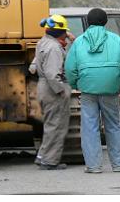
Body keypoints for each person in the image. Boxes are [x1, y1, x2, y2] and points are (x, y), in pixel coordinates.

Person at [64, 8, 120, 173]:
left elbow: (70, 68)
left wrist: (75, 85)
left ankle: (94, 166)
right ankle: (118, 165)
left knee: (89, 126)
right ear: (105, 22)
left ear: (88, 22)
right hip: (110, 89)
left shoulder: (79, 42)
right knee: (113, 125)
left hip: (88, 90)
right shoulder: (115, 40)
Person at [35, 15, 72, 170]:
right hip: (52, 89)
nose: (66, 34)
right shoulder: (54, 48)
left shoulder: (43, 42)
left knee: (50, 124)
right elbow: (52, 74)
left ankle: (43, 156)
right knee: (57, 125)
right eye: (64, 32)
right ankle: (50, 161)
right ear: (59, 32)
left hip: (43, 87)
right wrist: (61, 90)